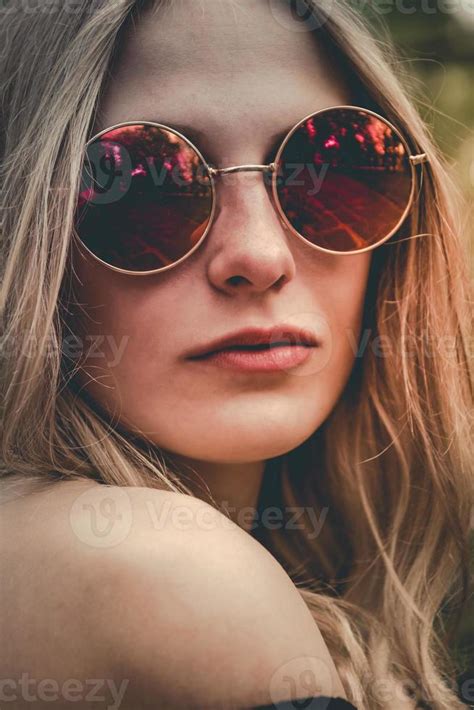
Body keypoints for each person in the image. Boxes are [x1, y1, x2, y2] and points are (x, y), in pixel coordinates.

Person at [0, 0, 472, 708]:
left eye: (330, 167)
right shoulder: (162, 567)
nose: (259, 255)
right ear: (24, 233)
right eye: (146, 181)